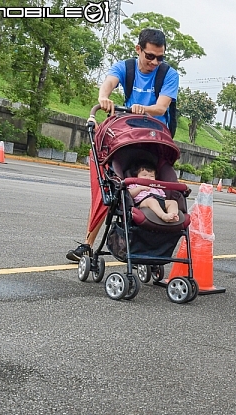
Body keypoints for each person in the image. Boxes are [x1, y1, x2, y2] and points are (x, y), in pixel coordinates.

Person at [67, 28, 179, 262]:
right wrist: (104, 98)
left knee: (165, 190)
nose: (155, 62)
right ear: (138, 49)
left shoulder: (168, 74)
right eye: (150, 56)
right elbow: (108, 84)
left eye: (160, 57)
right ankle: (88, 244)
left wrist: (143, 109)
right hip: (127, 137)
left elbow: (160, 108)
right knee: (110, 190)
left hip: (155, 139)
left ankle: (152, 247)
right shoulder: (125, 68)